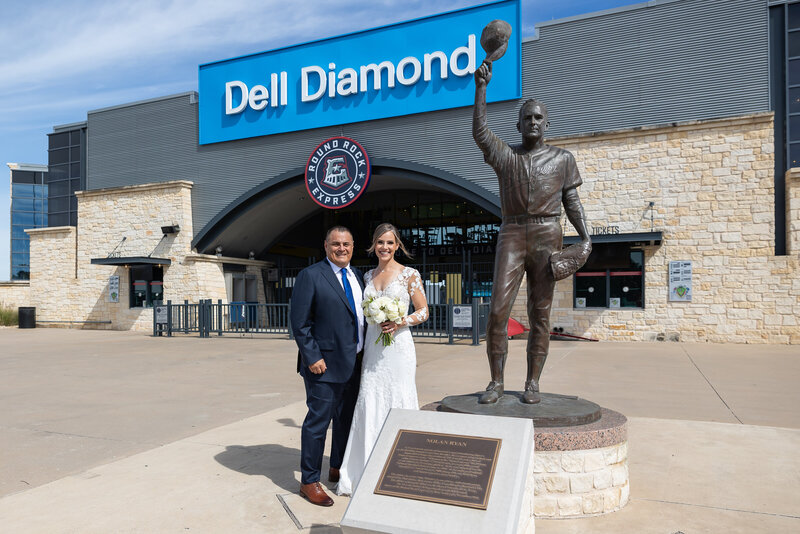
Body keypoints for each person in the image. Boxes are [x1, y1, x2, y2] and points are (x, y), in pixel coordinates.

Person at [473, 59, 592, 405]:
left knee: (540, 313)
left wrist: (585, 237)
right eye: (527, 117)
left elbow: (572, 200)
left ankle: (532, 383)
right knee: (498, 310)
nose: (533, 122)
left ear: (547, 123)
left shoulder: (562, 159)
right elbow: (480, 132)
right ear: (519, 124)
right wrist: (482, 88)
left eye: (539, 117)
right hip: (512, 233)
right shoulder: (506, 156)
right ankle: (496, 382)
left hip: (547, 233)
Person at [335, 223, 429, 496]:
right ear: (373, 246)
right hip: (374, 351)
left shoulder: (409, 274)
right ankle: (365, 470)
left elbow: (423, 311)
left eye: (390, 243)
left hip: (398, 350)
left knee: (398, 399)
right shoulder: (366, 276)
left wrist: (401, 321)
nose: (384, 248)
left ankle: (403, 469)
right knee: (370, 399)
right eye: (380, 243)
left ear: (397, 245)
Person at [290, 226, 365, 507]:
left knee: (345, 421)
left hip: (355, 363)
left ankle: (337, 467)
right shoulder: (311, 276)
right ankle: (309, 480)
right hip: (323, 365)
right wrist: (312, 357)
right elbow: (300, 323)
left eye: (346, 244)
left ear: (353, 246)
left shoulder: (358, 276)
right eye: (336, 244)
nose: (341, 248)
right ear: (325, 246)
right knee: (318, 423)